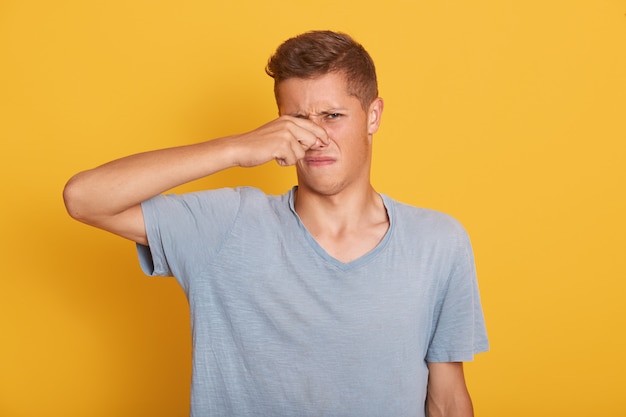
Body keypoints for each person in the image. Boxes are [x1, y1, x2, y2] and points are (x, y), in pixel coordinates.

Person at [63, 30, 488, 417]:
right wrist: (235, 149)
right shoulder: (226, 226)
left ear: (373, 115)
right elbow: (84, 198)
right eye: (298, 119)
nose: (315, 136)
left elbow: (447, 399)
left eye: (333, 116)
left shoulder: (438, 243)